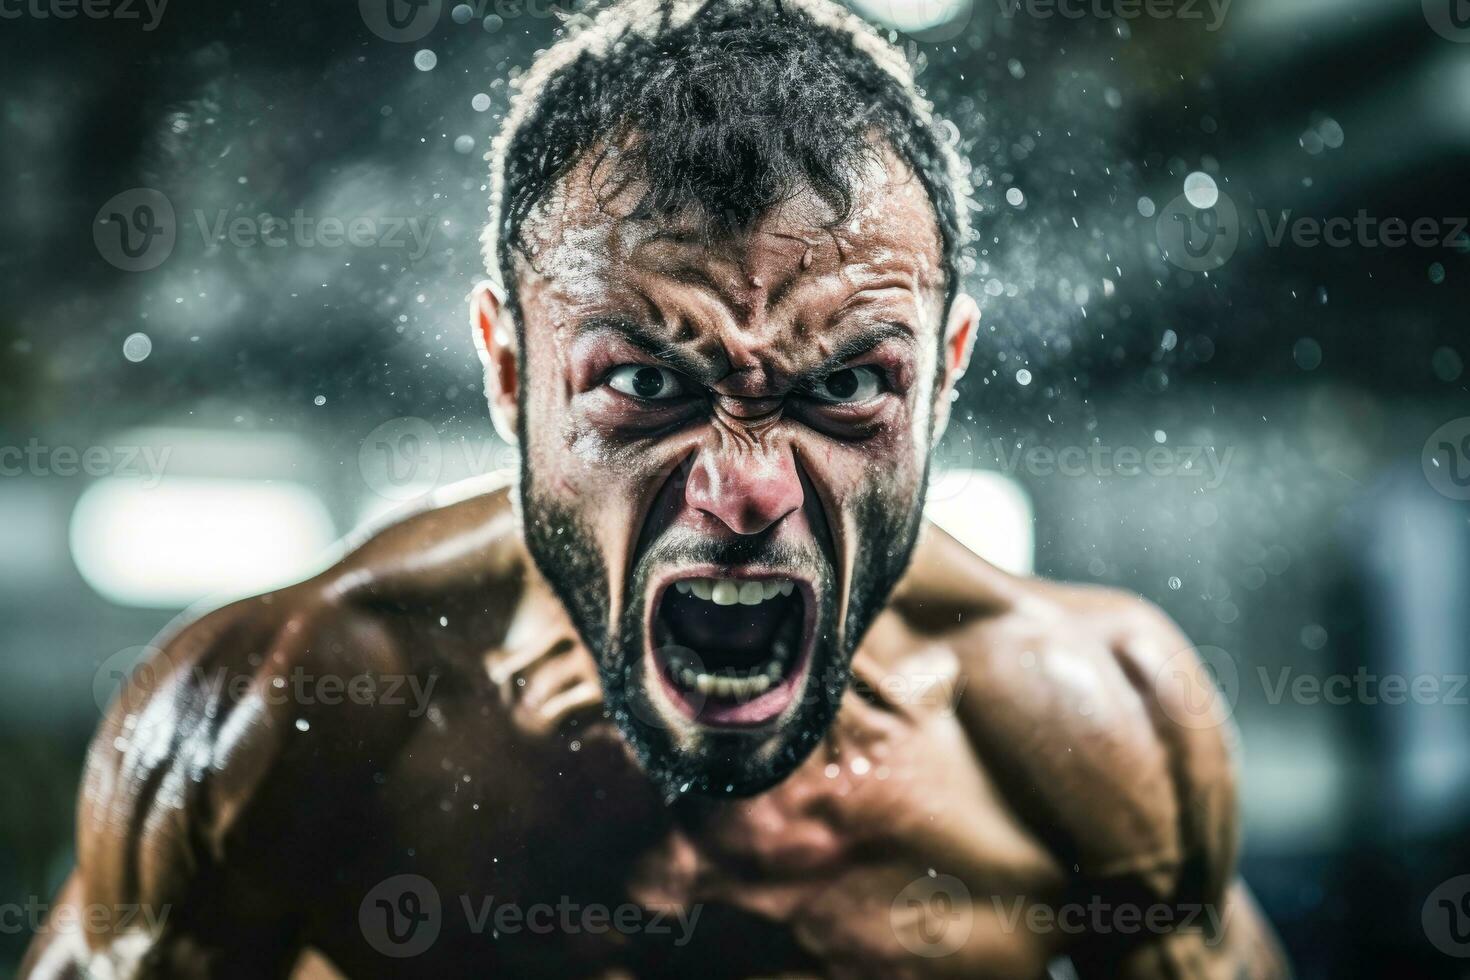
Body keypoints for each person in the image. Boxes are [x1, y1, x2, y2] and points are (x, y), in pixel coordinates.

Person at [24, 0, 1288, 975]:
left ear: (945, 377)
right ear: (509, 369)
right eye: (643, 385)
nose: (746, 492)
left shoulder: (1088, 722)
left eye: (845, 385)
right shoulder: (276, 725)